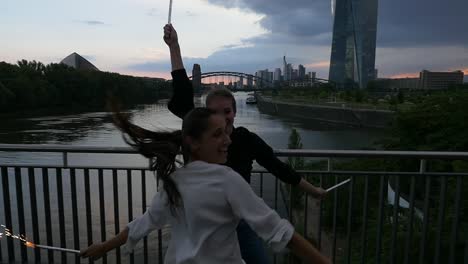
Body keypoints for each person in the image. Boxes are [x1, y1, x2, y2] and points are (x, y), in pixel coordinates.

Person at [80, 107, 331, 264]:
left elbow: (144, 223)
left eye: (226, 132)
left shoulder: (175, 181)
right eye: (217, 134)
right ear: (193, 143)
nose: (228, 140)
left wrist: (104, 247)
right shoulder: (228, 179)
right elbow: (280, 232)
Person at [163, 24, 326, 264]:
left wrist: (315, 191)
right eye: (214, 112)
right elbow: (182, 92)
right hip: (205, 226)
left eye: (226, 111)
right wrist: (174, 47)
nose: (222, 117)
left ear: (235, 112)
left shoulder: (246, 139)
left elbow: (277, 167)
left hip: (242, 222)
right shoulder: (199, 134)